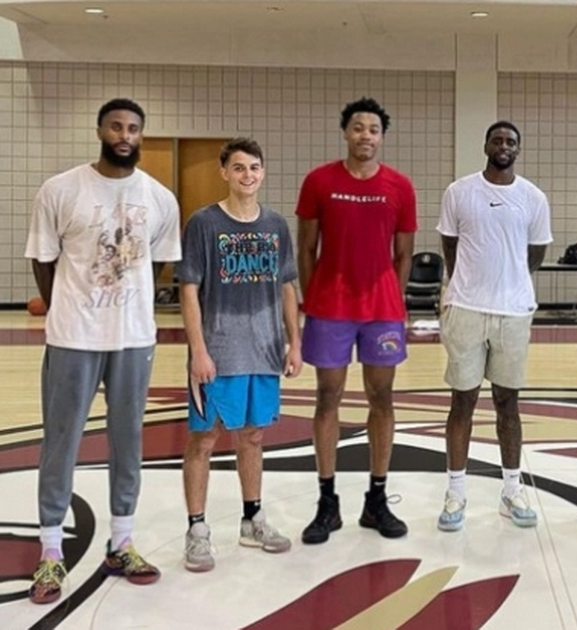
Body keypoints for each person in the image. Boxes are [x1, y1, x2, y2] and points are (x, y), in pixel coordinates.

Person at [25, 98, 180, 603]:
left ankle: (122, 542)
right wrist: (64, 309)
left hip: (133, 337)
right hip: (73, 336)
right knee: (62, 440)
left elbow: (157, 264)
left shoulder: (160, 198)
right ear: (99, 131)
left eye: (133, 128)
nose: (124, 135)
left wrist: (126, 301)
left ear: (141, 135)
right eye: (116, 126)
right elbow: (43, 259)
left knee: (128, 440)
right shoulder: (61, 189)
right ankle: (51, 550)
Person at [296, 97, 417, 544]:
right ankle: (327, 503)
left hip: (381, 310)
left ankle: (376, 499)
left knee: (381, 397)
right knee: (328, 396)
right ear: (345, 132)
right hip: (331, 306)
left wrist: (393, 300)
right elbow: (305, 247)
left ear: (381, 137)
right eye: (358, 127)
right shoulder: (319, 181)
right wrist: (313, 297)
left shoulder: (400, 186)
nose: (366, 135)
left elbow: (404, 253)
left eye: (374, 129)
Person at [178, 138, 301, 572]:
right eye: (238, 167)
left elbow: (287, 285)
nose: (247, 175)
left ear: (262, 172)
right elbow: (188, 289)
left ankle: (253, 520)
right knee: (204, 439)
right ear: (224, 173)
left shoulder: (275, 225)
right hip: (218, 352)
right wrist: (198, 350)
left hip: (264, 351)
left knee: (253, 436)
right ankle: (197, 529)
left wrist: (294, 341)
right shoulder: (204, 223)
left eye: (254, 167)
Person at [436, 121, 553, 532]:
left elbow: (535, 254)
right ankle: (455, 493)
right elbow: (450, 246)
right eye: (497, 139)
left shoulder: (533, 197)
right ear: (486, 145)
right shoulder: (459, 192)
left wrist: (509, 281)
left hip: (513, 312)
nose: (504, 145)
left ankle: (512, 490)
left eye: (511, 141)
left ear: (518, 149)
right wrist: (469, 284)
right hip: (466, 309)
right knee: (462, 402)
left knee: (508, 402)